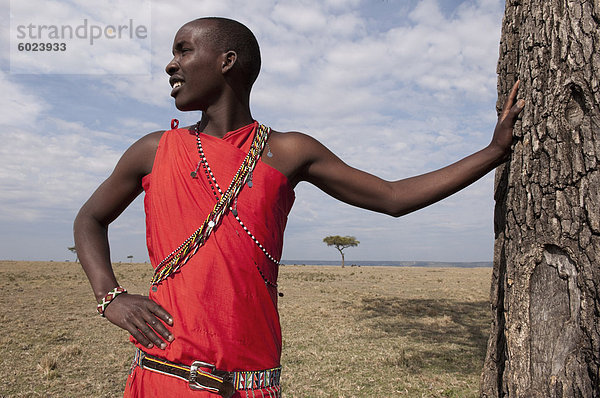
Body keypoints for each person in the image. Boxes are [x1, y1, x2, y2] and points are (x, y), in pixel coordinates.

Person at [74, 17, 524, 398]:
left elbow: (392, 197)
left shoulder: (288, 151)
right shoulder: (154, 149)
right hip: (161, 376)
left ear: (227, 61)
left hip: (253, 380)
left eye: (184, 50)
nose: (170, 64)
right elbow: (90, 219)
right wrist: (110, 297)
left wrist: (492, 153)